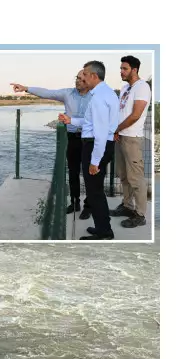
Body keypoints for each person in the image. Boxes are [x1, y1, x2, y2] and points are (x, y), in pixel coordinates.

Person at [11, 71, 92, 219]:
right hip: (72, 138)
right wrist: (26, 88)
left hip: (89, 139)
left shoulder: (95, 96)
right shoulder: (68, 93)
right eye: (77, 78)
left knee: (88, 173)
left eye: (81, 79)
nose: (78, 81)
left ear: (89, 80)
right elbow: (47, 93)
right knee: (73, 172)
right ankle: (75, 203)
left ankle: (89, 205)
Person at [59, 61, 119, 240]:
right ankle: (103, 226)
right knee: (96, 190)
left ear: (94, 76)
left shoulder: (99, 98)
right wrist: (72, 121)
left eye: (84, 74)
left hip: (95, 146)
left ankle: (104, 232)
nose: (82, 78)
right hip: (99, 144)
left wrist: (94, 161)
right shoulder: (105, 93)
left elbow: (100, 132)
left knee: (94, 192)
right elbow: (92, 123)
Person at [111, 55, 151, 228]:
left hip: (132, 138)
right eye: (121, 68)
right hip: (120, 136)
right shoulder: (125, 87)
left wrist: (117, 129)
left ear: (134, 70)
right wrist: (117, 130)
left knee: (136, 179)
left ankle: (140, 214)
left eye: (124, 68)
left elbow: (135, 115)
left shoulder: (142, 87)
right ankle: (127, 206)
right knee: (124, 176)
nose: (121, 71)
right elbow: (121, 111)